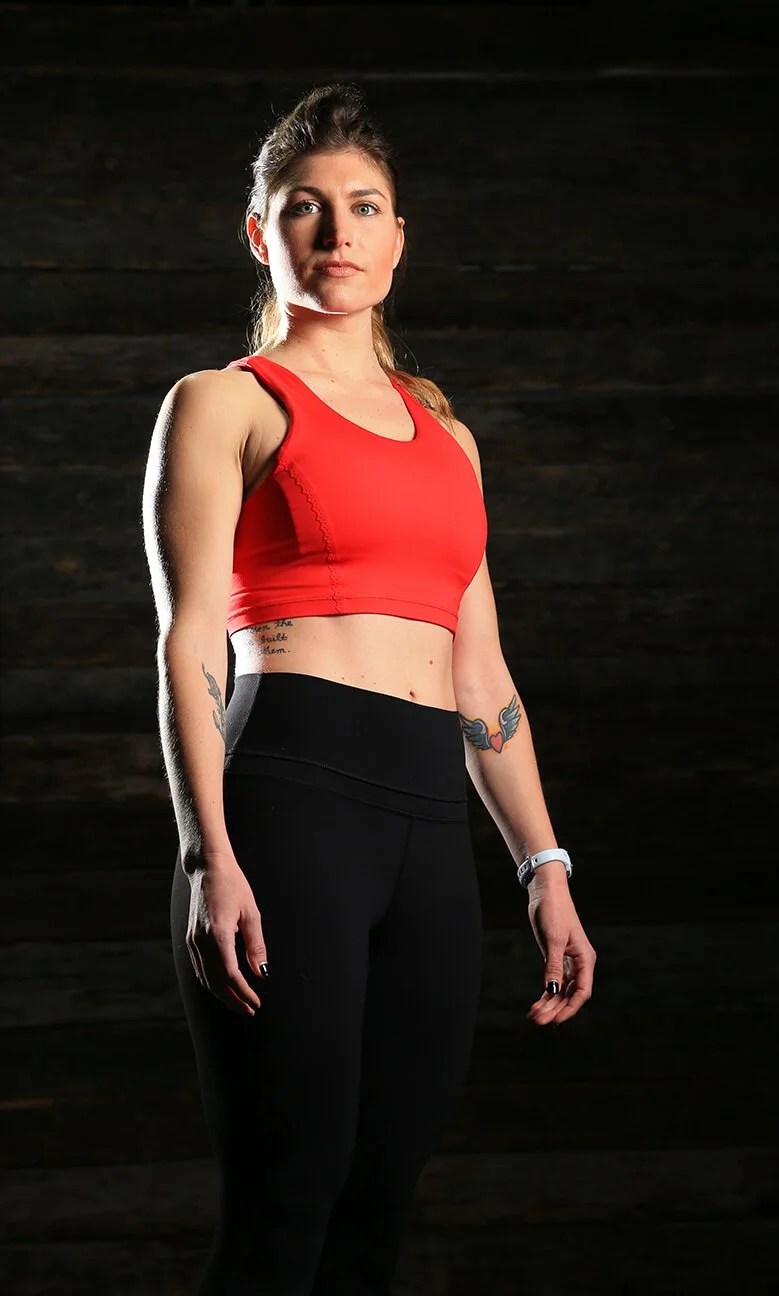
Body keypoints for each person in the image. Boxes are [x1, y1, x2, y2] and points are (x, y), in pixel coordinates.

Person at [142, 82, 596, 1296]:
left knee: (377, 1209)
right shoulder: (225, 403)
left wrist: (543, 868)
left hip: (429, 832)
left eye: (364, 208)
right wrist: (208, 854)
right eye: (305, 209)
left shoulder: (448, 436)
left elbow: (481, 672)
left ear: (400, 238)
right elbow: (188, 641)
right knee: (287, 1199)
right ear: (262, 233)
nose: (337, 233)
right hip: (292, 803)